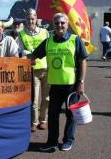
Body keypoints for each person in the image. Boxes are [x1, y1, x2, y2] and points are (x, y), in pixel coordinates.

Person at [28, 12, 87, 152]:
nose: (59, 25)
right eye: (56, 23)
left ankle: (68, 140)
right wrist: (20, 58)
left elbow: (83, 61)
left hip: (72, 85)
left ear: (67, 24)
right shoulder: (48, 41)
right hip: (54, 86)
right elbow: (34, 56)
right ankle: (52, 142)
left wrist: (81, 82)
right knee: (53, 115)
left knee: (70, 115)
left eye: (62, 23)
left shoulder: (75, 39)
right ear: (53, 25)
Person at [16, 8, 50, 132]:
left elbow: (49, 48)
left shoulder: (45, 32)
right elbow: (19, 49)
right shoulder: (21, 34)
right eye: (28, 18)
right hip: (32, 69)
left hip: (46, 68)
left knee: (46, 98)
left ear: (36, 19)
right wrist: (28, 54)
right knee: (34, 99)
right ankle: (34, 121)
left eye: (33, 18)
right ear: (25, 20)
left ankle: (43, 119)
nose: (31, 21)